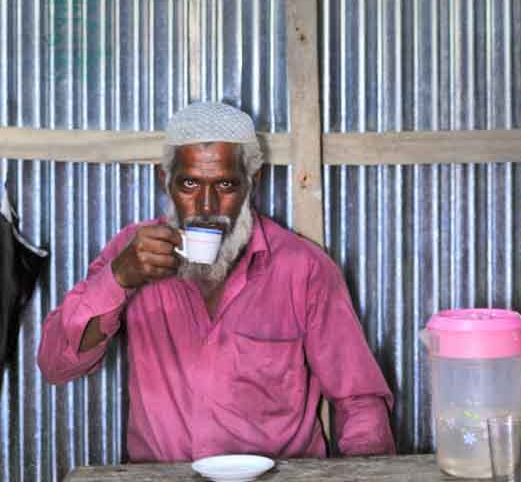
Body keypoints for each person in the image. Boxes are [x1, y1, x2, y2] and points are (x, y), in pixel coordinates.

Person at [37, 102, 395, 463]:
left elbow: (359, 400)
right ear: (165, 180)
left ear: (252, 181)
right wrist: (117, 279)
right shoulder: (132, 253)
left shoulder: (303, 268)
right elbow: (56, 364)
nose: (207, 207)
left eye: (225, 184)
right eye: (189, 184)